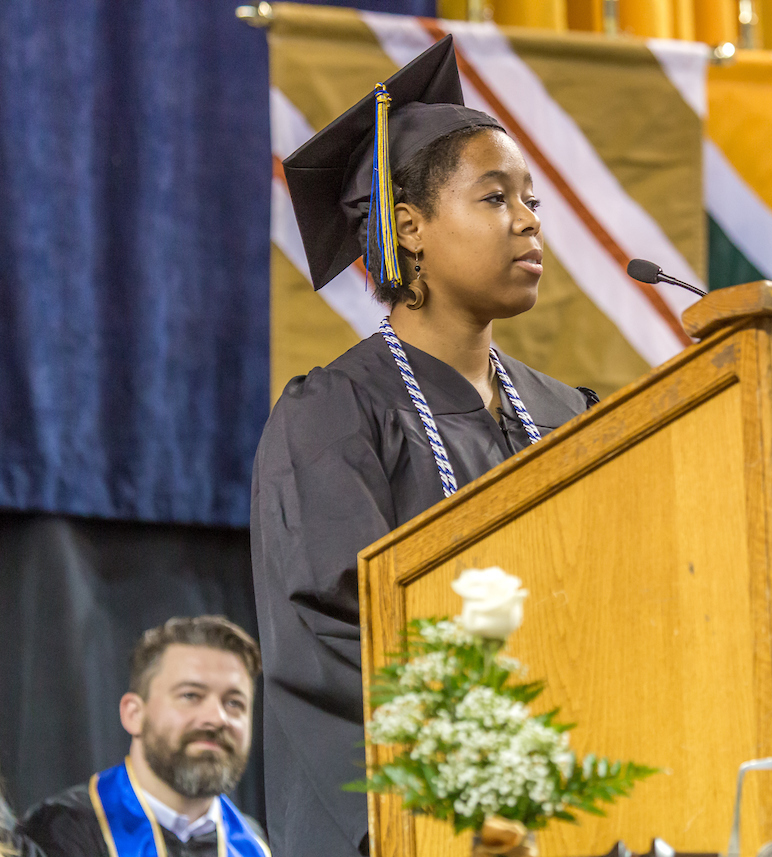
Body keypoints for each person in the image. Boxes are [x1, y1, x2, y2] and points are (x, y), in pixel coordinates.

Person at [251, 34, 596, 857]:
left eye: (533, 200)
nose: (527, 220)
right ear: (408, 228)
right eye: (494, 198)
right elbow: (326, 636)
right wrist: (464, 786)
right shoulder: (334, 414)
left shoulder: (568, 413)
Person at [19, 616, 268, 857]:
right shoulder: (60, 832)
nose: (217, 718)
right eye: (191, 695)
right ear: (133, 714)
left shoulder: (259, 844)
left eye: (234, 703)